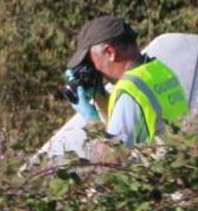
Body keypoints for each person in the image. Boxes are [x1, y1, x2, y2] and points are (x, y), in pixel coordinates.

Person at [63, 14, 187, 147]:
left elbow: (111, 160)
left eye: (90, 61)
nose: (94, 69)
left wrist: (91, 119)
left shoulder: (129, 92)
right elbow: (130, 123)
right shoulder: (159, 70)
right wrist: (100, 96)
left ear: (110, 52)